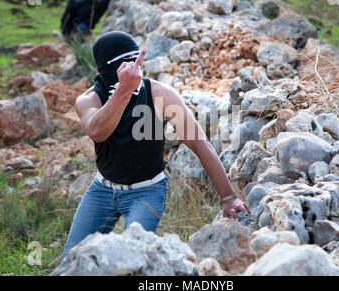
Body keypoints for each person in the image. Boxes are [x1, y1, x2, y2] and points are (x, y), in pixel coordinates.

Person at [60, 31, 250, 262]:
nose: (136, 70)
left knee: (133, 259)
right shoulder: (89, 100)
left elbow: (198, 142)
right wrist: (123, 90)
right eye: (127, 64)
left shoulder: (160, 94)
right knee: (70, 261)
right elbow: (98, 132)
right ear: (109, 70)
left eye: (138, 61)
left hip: (146, 191)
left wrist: (228, 196)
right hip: (103, 189)